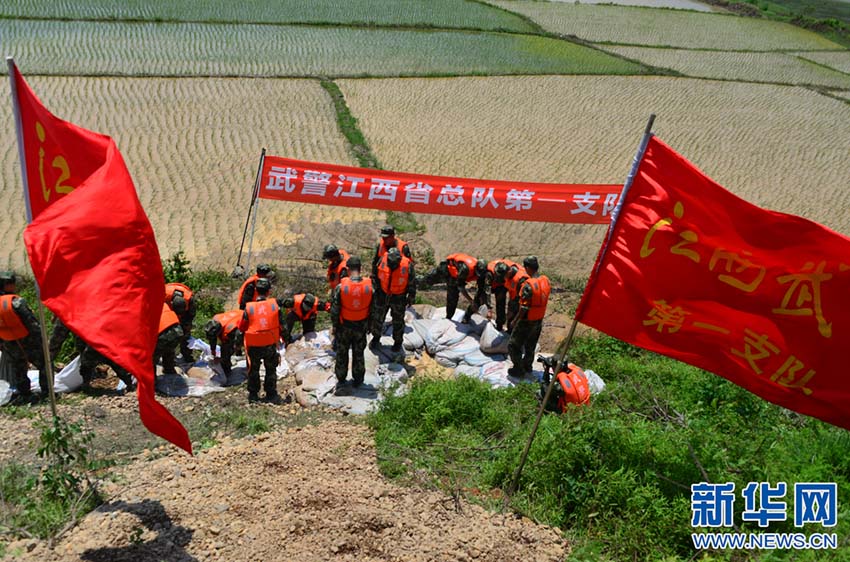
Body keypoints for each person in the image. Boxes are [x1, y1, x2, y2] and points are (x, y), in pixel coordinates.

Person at [0, 271, 47, 403]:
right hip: (28, 341)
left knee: (19, 368)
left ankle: (24, 394)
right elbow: (32, 324)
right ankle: (46, 392)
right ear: (7, 285)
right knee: (44, 364)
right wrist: (41, 339)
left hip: (9, 343)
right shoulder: (16, 302)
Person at [238, 278, 284, 404]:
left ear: (256, 291)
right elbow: (282, 326)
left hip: (254, 344)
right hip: (269, 343)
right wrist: (284, 341)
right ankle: (271, 393)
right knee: (271, 368)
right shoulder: (275, 306)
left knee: (253, 369)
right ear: (269, 291)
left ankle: (253, 395)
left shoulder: (249, 307)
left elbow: (242, 327)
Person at [330, 256, 372, 393]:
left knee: (342, 353)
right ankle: (358, 380)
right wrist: (371, 325)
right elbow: (375, 308)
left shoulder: (341, 287)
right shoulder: (369, 287)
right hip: (361, 326)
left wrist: (335, 326)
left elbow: (335, 309)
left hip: (344, 327)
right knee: (358, 353)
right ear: (360, 269)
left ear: (347, 269)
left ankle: (341, 380)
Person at [508, 257, 550, 379]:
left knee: (513, 345)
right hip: (539, 320)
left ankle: (518, 369)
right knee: (530, 345)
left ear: (527, 268)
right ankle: (528, 367)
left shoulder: (528, 285)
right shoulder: (545, 281)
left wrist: (515, 321)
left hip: (526, 321)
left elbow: (524, 308)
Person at [371, 247, 415, 353]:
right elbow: (374, 276)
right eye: (391, 262)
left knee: (398, 321)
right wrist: (375, 290)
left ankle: (397, 342)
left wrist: (411, 297)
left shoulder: (408, 266)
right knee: (377, 318)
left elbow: (412, 282)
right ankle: (376, 338)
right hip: (382, 294)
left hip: (398, 297)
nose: (393, 264)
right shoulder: (382, 261)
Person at [423, 253, 488, 323]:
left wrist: (484, 303)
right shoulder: (465, 269)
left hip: (455, 276)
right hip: (446, 270)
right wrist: (471, 300)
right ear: (476, 269)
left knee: (453, 297)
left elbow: (482, 288)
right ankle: (413, 282)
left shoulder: (482, 272)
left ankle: (450, 318)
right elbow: (460, 286)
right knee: (426, 281)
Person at [205, 310, 244, 379]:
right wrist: (213, 351)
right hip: (236, 316)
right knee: (225, 347)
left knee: (226, 350)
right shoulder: (214, 322)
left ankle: (227, 369)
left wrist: (237, 347)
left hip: (245, 322)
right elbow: (213, 339)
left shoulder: (230, 330)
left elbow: (239, 338)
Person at [165, 282, 196, 363]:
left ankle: (187, 355)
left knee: (186, 333)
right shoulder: (163, 296)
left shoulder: (190, 300)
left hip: (184, 312)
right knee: (166, 332)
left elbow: (190, 316)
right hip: (166, 311)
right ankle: (168, 356)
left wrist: (186, 327)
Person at [486, 259, 518, 332]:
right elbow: (487, 291)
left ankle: (506, 327)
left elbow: (514, 291)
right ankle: (499, 325)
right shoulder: (489, 274)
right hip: (497, 286)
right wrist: (489, 308)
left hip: (506, 285)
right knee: (499, 302)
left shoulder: (513, 273)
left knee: (507, 305)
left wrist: (512, 308)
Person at [154, 302, 183, 376]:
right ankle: (169, 370)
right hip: (178, 330)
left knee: (151, 359)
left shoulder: (137, 308)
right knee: (169, 350)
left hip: (164, 331)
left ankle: (151, 382)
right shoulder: (159, 301)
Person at [504, 262, 530, 332]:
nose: (504, 278)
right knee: (510, 317)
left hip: (522, 301)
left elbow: (522, 302)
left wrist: (514, 317)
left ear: (509, 271)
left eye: (505, 275)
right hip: (514, 298)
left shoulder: (521, 280)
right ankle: (509, 332)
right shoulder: (507, 275)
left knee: (517, 320)